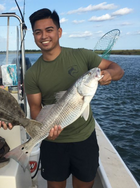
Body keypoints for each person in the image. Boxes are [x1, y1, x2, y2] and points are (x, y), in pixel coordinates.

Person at [24, 8, 124, 188]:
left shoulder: (81, 55)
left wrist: (109, 73)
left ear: (59, 32)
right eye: (38, 32)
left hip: (84, 139)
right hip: (53, 142)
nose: (44, 36)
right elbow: (35, 108)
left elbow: (117, 69)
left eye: (49, 30)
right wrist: (46, 131)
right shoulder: (32, 74)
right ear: (34, 36)